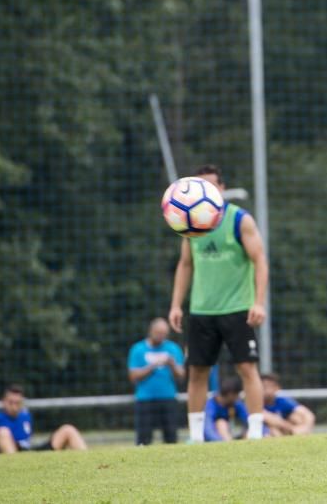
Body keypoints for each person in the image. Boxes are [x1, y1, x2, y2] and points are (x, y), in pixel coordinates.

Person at [168, 164, 269, 443]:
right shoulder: (190, 225)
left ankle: (257, 431)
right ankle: (196, 436)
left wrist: (258, 303)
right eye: (201, 187)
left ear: (222, 189)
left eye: (211, 187)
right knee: (197, 371)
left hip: (237, 308)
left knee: (247, 368)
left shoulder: (240, 220)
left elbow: (260, 260)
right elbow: (185, 264)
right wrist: (177, 304)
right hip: (202, 311)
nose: (206, 193)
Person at [128, 317, 186, 445]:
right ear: (151, 331)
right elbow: (133, 376)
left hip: (168, 398)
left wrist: (172, 364)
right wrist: (153, 366)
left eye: (164, 334)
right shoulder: (138, 349)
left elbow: (181, 375)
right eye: (158, 333)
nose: (161, 337)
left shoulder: (173, 349)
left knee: (171, 438)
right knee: (143, 439)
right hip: (145, 399)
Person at [0, 384, 87, 454]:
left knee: (68, 429)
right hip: (12, 453)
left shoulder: (25, 415)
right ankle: (14, 465)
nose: (14, 407)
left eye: (17, 403)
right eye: (10, 402)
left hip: (29, 451)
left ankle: (89, 464)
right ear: (3, 401)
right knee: (3, 431)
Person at [204, 377, 250, 442]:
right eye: (237, 395)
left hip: (236, 433)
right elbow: (207, 429)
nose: (238, 397)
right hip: (218, 438)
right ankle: (229, 443)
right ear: (231, 394)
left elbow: (248, 419)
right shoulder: (211, 405)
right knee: (221, 423)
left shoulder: (236, 404)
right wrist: (220, 441)